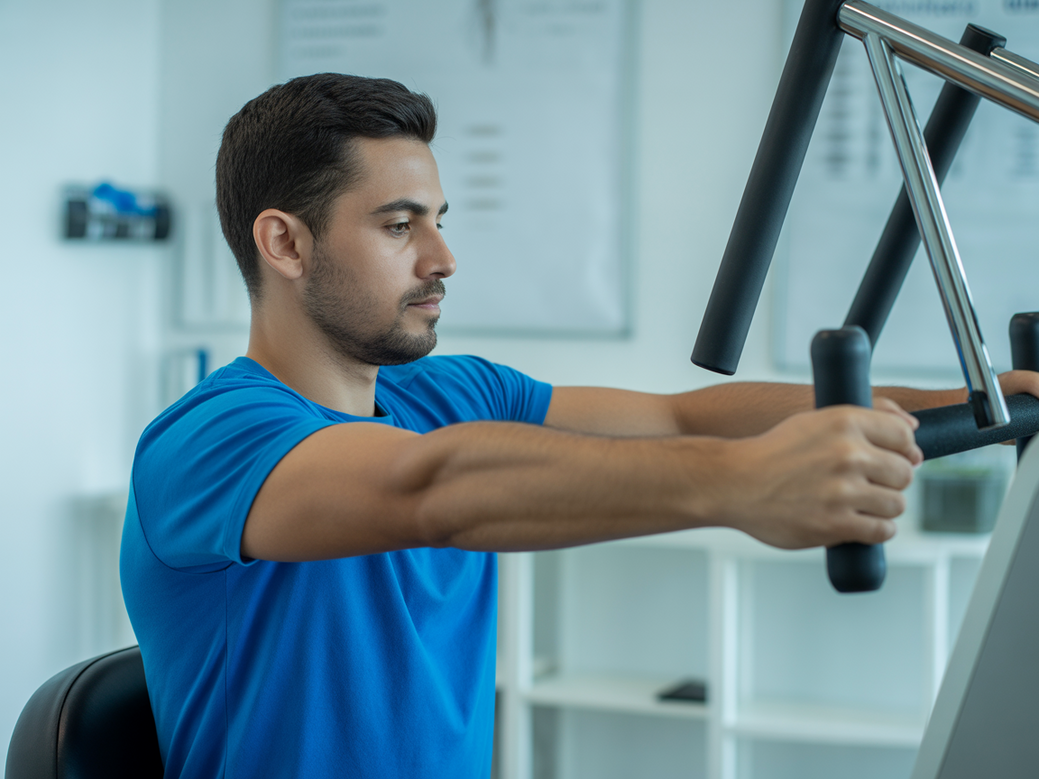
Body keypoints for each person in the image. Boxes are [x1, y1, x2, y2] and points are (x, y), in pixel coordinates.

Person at [120, 72, 1039, 778]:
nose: (443, 257)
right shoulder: (210, 437)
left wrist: (978, 403)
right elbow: (429, 489)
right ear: (283, 242)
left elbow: (679, 418)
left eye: (438, 220)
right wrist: (739, 487)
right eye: (399, 226)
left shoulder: (451, 394)